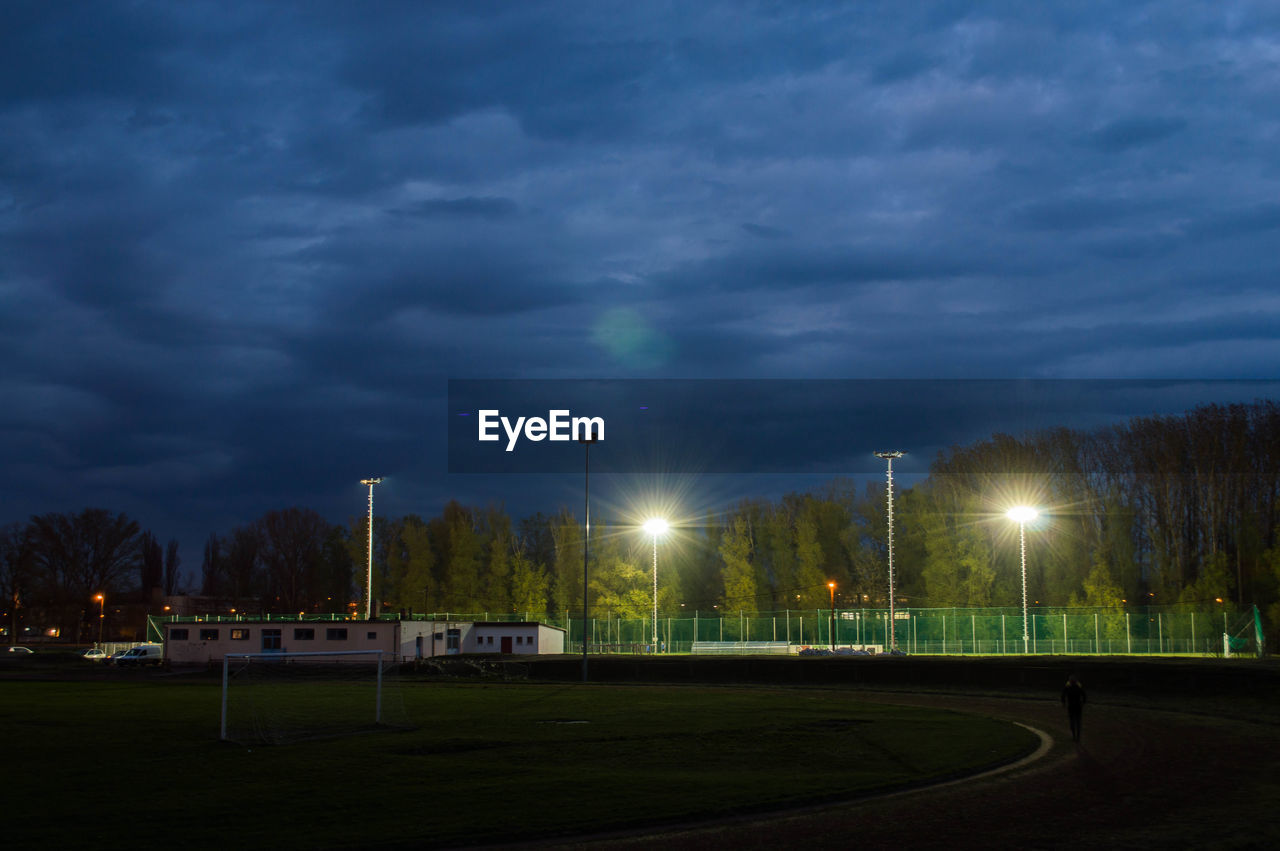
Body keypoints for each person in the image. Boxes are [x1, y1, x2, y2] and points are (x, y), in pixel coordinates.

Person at [1061, 674, 1086, 743]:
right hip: (1078, 706)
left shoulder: (1068, 686)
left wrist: (1063, 703)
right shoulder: (1079, 686)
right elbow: (1084, 695)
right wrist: (1083, 702)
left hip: (1071, 706)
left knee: (1072, 721)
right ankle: (1077, 736)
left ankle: (1074, 736)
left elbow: (1063, 695)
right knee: (1078, 721)